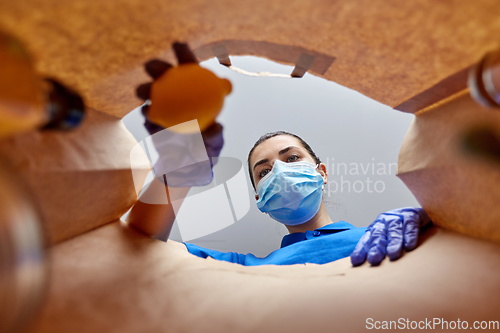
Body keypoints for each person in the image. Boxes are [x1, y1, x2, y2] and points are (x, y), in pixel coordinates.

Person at [127, 42, 431, 267]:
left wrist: (432, 219)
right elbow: (140, 244)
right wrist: (179, 171)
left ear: (321, 173)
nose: (280, 172)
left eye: (292, 158)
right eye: (264, 172)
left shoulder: (383, 233)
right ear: (259, 199)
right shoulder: (243, 268)